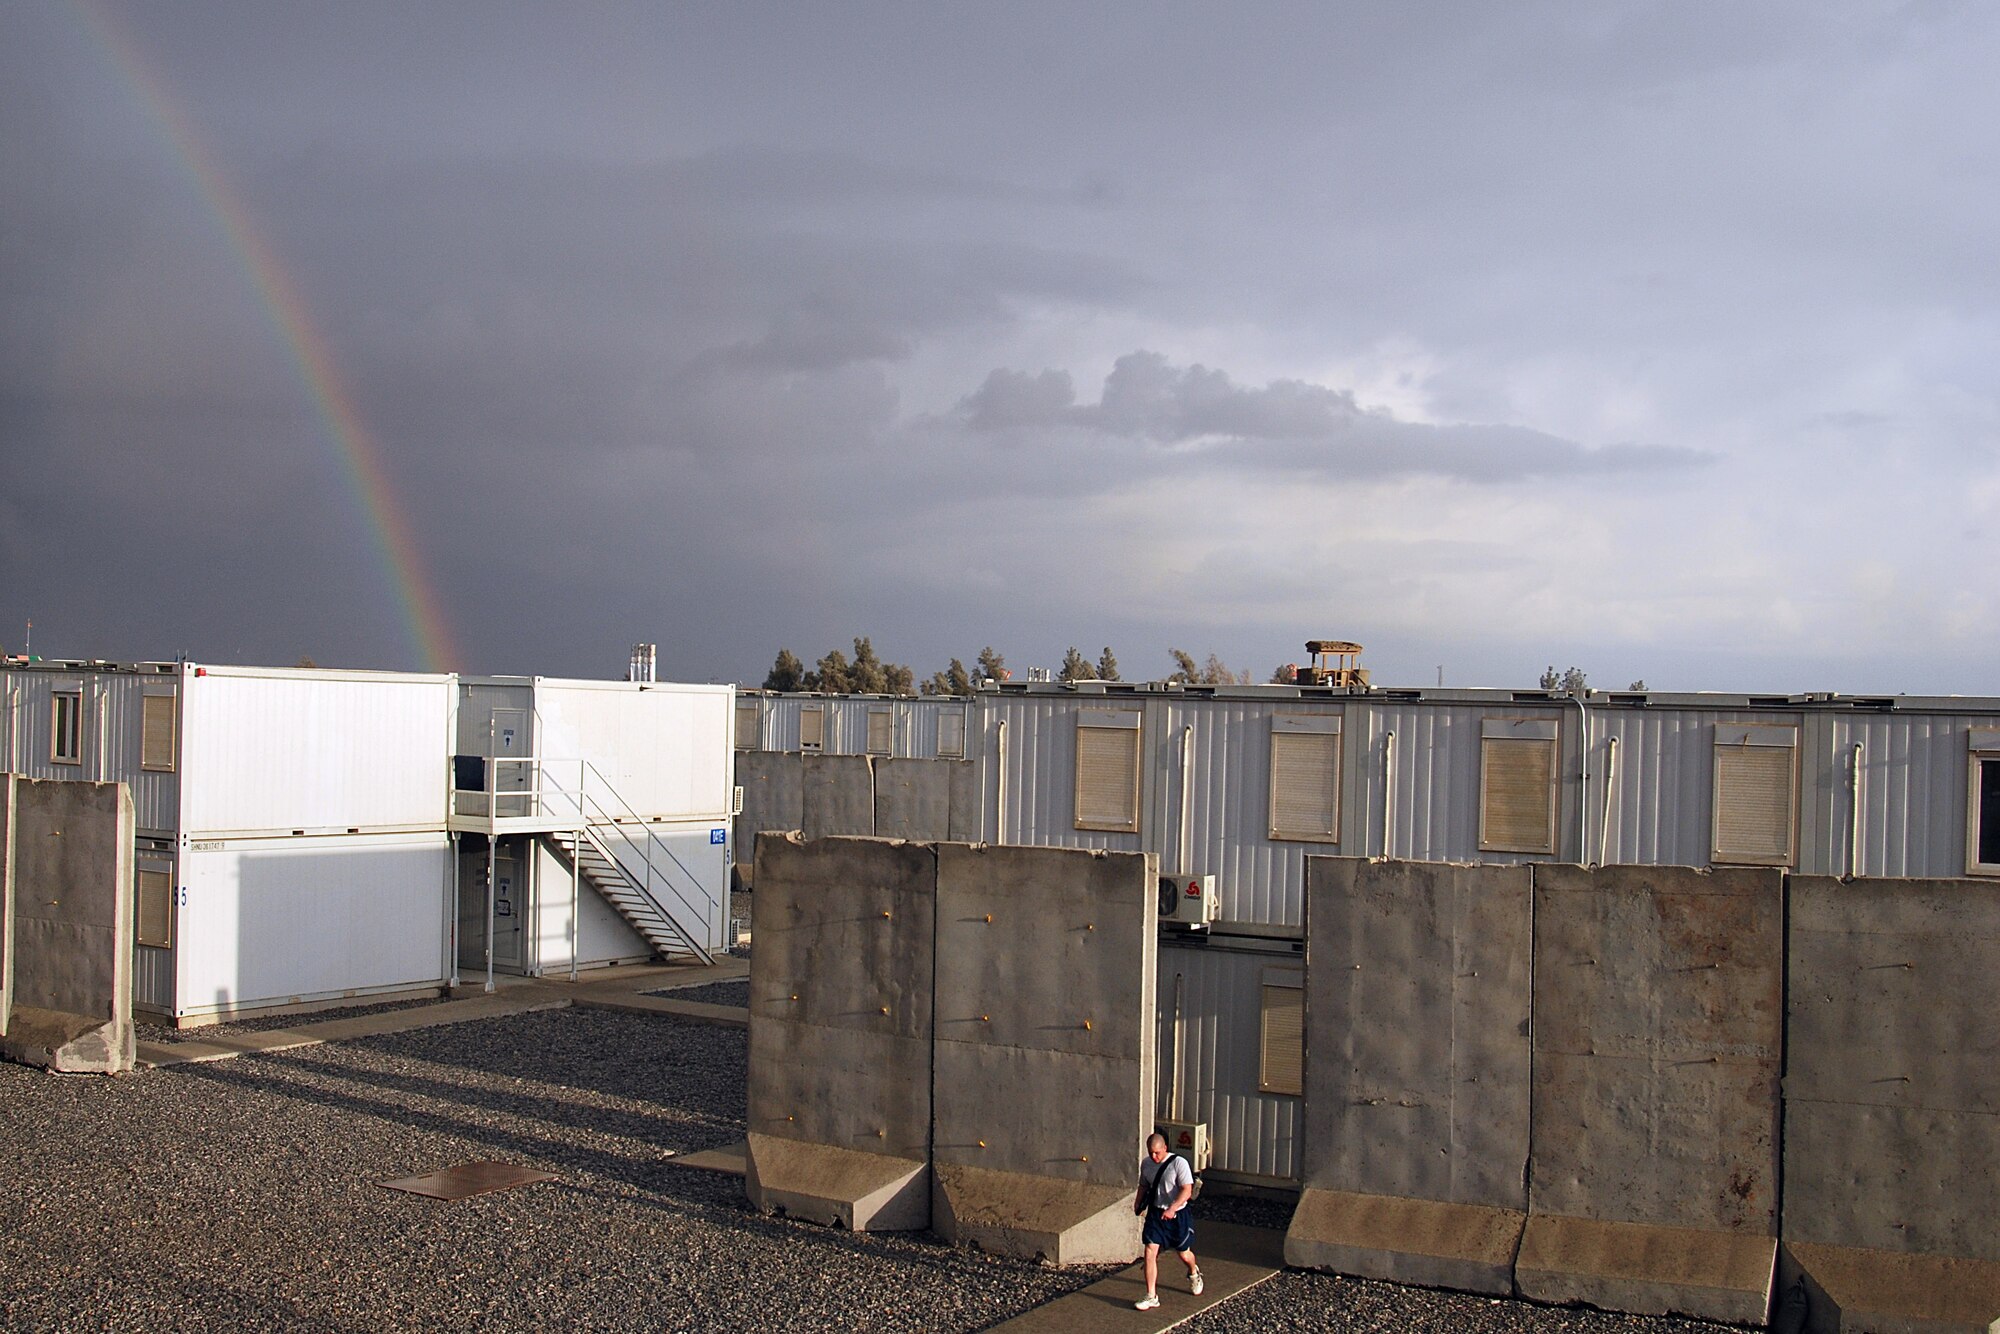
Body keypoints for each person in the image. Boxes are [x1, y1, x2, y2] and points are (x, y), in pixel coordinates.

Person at [1131, 1131, 1202, 1310]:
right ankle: (1151, 1295)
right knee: (1150, 1250)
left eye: (1157, 1152)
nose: (1154, 1157)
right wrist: (1138, 1202)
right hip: (1156, 1214)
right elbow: (1143, 1185)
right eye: (1151, 1153)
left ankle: (1194, 1272)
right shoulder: (1146, 1164)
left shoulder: (1179, 1163)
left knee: (1184, 1253)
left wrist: (1172, 1208)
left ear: (1165, 1148)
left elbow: (1186, 1190)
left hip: (1178, 1215)